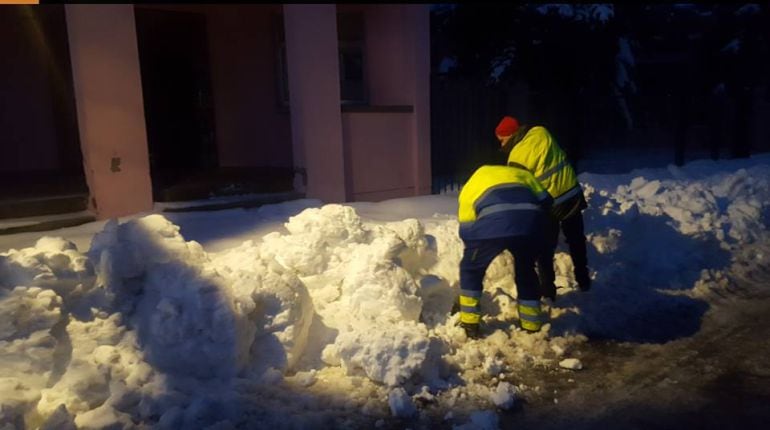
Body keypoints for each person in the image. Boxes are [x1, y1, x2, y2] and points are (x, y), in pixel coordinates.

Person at [494, 116, 591, 300]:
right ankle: (583, 279)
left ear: (511, 135)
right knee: (576, 239)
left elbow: (520, 189)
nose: (501, 145)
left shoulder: (516, 157)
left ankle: (548, 290)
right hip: (571, 193)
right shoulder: (541, 131)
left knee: (545, 248)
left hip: (550, 204)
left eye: (502, 140)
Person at [456, 164, 553, 338]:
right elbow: (547, 200)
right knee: (526, 270)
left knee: (471, 270)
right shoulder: (523, 175)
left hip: (491, 227)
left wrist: (473, 249)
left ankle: (470, 324)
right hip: (530, 226)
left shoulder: (475, 180)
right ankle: (531, 325)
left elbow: (466, 222)